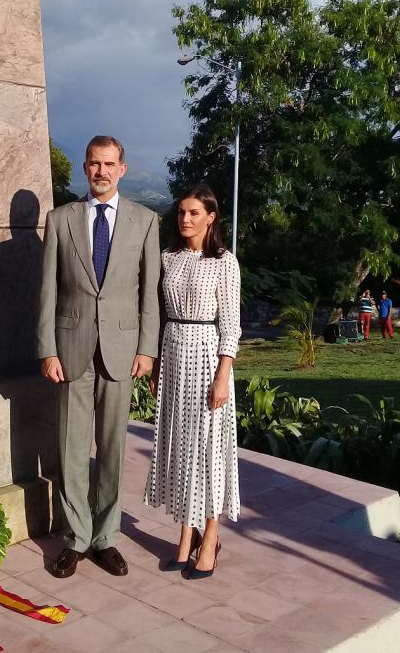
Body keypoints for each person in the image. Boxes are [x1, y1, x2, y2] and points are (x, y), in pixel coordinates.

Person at [36, 135, 160, 579]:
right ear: (84, 169)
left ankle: (106, 537)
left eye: (109, 164)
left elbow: (150, 294)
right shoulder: (60, 219)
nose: (101, 171)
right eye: (94, 164)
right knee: (70, 449)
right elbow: (47, 290)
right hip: (70, 352)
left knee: (111, 450)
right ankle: (75, 538)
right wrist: (47, 349)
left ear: (122, 168)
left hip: (123, 352)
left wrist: (147, 348)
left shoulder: (145, 221)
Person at [144, 184, 241, 579]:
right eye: (182, 212)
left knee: (208, 451)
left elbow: (231, 326)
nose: (185, 219)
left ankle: (211, 535)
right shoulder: (168, 258)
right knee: (181, 449)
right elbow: (160, 315)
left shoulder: (225, 262)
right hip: (172, 355)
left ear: (211, 217)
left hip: (207, 356)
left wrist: (222, 377)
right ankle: (185, 538)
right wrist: (154, 368)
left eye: (194, 213)